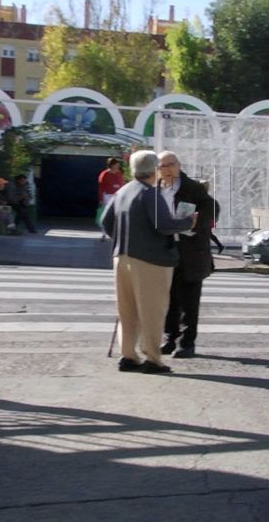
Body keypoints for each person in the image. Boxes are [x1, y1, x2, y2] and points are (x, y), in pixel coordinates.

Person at [101, 150, 198, 374]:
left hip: (122, 256)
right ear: (154, 169)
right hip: (149, 260)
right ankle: (153, 358)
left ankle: (128, 355)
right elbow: (164, 225)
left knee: (127, 310)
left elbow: (106, 222)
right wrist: (188, 221)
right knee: (152, 310)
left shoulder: (124, 190)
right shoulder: (150, 193)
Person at [157, 151, 219, 359]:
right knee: (169, 299)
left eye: (171, 164)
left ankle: (187, 342)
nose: (167, 169)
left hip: (191, 251)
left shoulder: (193, 188)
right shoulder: (157, 189)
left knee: (189, 301)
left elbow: (212, 208)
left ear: (179, 165)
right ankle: (170, 338)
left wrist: (195, 224)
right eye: (162, 166)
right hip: (165, 251)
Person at [98, 157, 124, 241]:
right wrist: (101, 198)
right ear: (112, 165)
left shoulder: (119, 173)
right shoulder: (105, 174)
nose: (118, 165)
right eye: (116, 163)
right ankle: (103, 233)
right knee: (107, 214)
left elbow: (121, 184)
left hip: (117, 195)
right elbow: (101, 187)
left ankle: (116, 233)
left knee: (117, 214)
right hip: (108, 195)